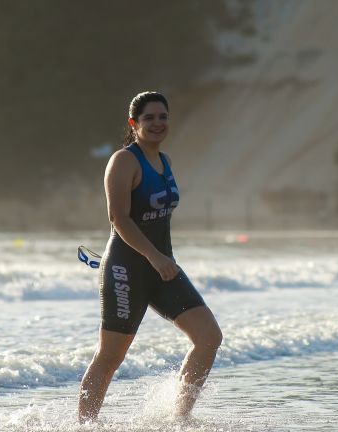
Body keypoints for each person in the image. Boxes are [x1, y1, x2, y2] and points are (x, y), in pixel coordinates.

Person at [78, 91, 222, 423]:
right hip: (127, 269)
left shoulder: (165, 161)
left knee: (209, 337)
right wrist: (154, 257)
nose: (157, 124)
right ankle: (84, 427)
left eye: (163, 117)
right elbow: (119, 218)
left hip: (163, 267)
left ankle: (179, 419)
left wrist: (161, 260)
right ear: (134, 124)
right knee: (111, 356)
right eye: (149, 118)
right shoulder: (124, 161)